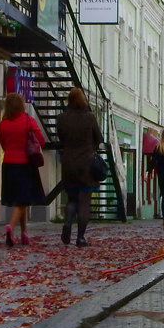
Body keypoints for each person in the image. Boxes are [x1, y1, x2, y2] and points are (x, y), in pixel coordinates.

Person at [55, 87, 103, 247]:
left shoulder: (62, 118)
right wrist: (91, 147)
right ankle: (80, 238)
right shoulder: (89, 117)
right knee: (84, 202)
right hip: (86, 164)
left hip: (68, 163)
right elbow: (99, 137)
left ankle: (68, 222)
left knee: (72, 198)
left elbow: (61, 138)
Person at [0, 92, 46, 247]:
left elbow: (3, 144)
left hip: (8, 164)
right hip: (25, 164)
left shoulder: (3, 123)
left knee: (20, 199)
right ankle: (10, 227)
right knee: (23, 200)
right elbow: (41, 140)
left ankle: (24, 233)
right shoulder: (28, 121)